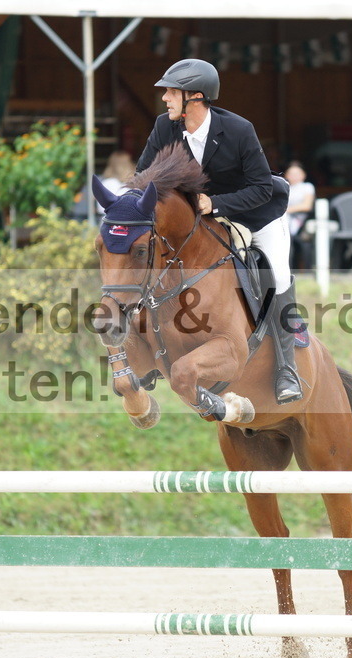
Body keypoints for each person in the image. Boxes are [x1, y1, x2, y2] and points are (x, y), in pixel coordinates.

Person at [136, 58, 300, 404]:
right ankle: (148, 352)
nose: (165, 98)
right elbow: (143, 177)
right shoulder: (165, 128)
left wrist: (216, 204)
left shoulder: (239, 130)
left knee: (279, 275)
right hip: (202, 221)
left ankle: (287, 368)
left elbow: (261, 187)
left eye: (171, 91)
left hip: (255, 215)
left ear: (194, 97)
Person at [284, 161, 315, 269]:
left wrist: (287, 210)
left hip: (301, 222)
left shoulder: (307, 187)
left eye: (297, 174)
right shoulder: (285, 187)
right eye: (291, 174)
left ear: (303, 175)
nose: (294, 177)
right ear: (286, 175)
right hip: (285, 220)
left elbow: (307, 206)